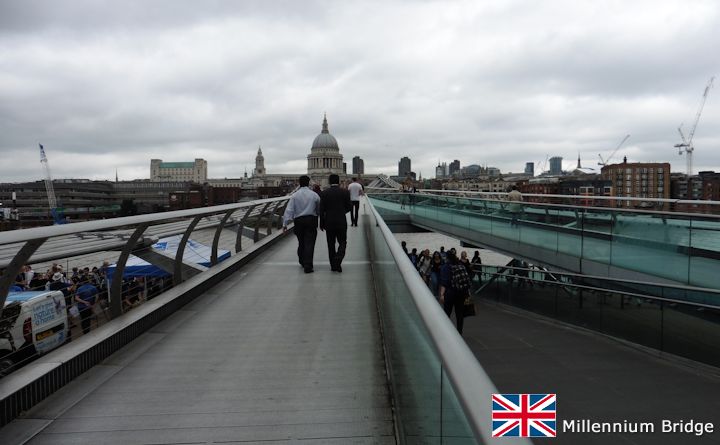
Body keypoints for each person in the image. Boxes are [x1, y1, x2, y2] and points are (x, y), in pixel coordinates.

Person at [283, 175, 321, 273]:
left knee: (301, 242)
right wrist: (318, 216)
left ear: (299, 183)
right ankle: (308, 265)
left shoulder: (294, 196)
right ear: (309, 183)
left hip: (298, 221)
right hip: (311, 220)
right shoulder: (314, 195)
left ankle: (302, 260)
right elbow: (318, 209)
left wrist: (285, 223)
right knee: (310, 243)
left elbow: (289, 210)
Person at [319, 174, 352, 272]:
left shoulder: (324, 193)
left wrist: (321, 223)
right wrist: (342, 212)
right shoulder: (345, 192)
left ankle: (333, 265)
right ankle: (338, 259)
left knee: (331, 244)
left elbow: (321, 210)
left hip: (329, 222)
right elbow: (349, 207)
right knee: (343, 242)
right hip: (341, 221)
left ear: (329, 181)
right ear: (339, 181)